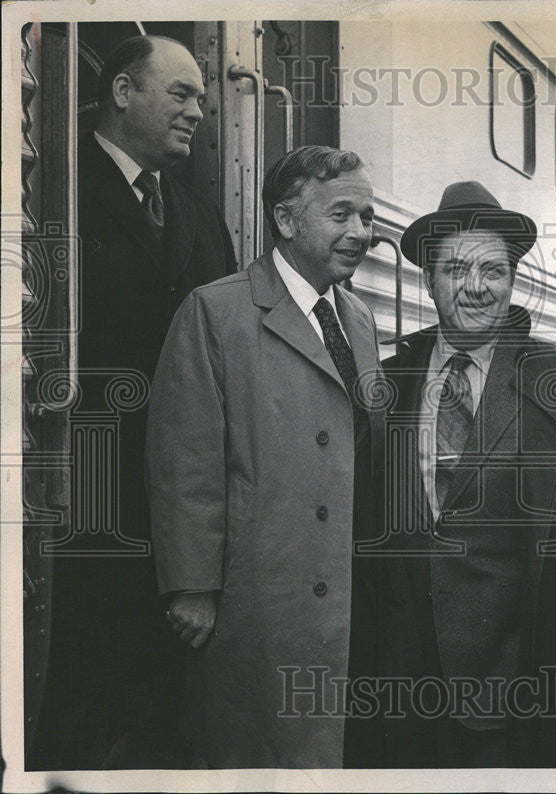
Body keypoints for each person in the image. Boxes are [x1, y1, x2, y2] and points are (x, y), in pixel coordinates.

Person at [31, 35, 236, 769]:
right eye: (180, 94)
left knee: (156, 709)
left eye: (204, 101)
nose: (197, 114)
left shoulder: (200, 216)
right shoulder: (47, 186)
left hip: (171, 513)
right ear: (122, 92)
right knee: (76, 707)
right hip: (75, 504)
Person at [145, 145, 384, 767]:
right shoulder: (215, 311)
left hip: (341, 594)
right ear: (286, 220)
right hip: (257, 599)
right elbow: (185, 464)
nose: (361, 233)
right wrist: (192, 587)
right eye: (342, 215)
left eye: (367, 216)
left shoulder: (358, 319)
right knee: (254, 753)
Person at [376, 181, 556, 767]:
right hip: (401, 686)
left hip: (519, 683)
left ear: (513, 280)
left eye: (494, 270)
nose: (477, 288)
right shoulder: (391, 379)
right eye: (457, 270)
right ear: (429, 280)